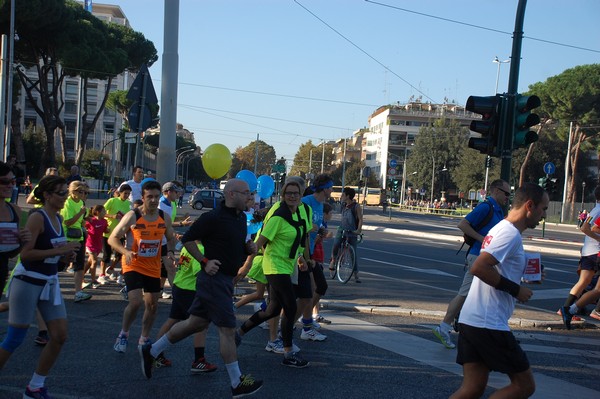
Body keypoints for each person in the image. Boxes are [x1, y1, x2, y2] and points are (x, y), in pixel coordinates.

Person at [139, 179, 263, 398]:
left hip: (224, 280)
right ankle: (237, 383)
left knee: (195, 322)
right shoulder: (212, 218)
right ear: (232, 195)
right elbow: (187, 240)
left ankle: (153, 350)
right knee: (226, 329)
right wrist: (205, 261)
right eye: (246, 193)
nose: (250, 197)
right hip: (214, 280)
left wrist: (247, 248)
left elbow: (235, 246)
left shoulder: (241, 218)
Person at [450, 183, 548, 399]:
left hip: (473, 319)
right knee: (524, 386)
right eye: (543, 209)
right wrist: (516, 290)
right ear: (529, 206)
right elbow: (479, 267)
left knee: (472, 389)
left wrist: (525, 276)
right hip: (489, 323)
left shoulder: (502, 228)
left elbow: (497, 268)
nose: (544, 215)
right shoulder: (509, 233)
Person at [0, 175, 80, 399]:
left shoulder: (58, 219)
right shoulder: (38, 217)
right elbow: (26, 255)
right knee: (15, 337)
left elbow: (54, 255)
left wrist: (66, 256)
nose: (66, 197)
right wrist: (58, 251)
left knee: (60, 336)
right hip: (28, 281)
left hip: (49, 282)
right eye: (61, 193)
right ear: (47, 195)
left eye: (66, 192)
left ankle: (35, 386)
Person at [235, 178, 312, 367]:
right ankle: (288, 353)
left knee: (272, 309)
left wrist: (302, 259)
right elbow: (260, 241)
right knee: (291, 307)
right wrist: (246, 261)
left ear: (301, 195)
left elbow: (297, 243)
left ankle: (239, 333)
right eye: (289, 193)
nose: (292, 196)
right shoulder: (278, 216)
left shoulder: (297, 216)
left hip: (288, 266)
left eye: (296, 193)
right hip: (274, 266)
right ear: (283, 196)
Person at [433, 179, 509, 349]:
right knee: (466, 294)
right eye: (506, 193)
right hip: (478, 257)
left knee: (482, 296)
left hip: (486, 258)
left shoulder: (497, 210)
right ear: (496, 191)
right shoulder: (486, 207)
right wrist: (482, 239)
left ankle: (468, 328)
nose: (508, 197)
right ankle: (445, 327)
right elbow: (462, 224)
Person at [109, 180, 176, 353]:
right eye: (149, 197)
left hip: (153, 265)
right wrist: (125, 252)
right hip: (133, 264)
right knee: (136, 301)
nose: (153, 200)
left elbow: (170, 237)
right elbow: (113, 238)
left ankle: (144, 338)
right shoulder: (133, 216)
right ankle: (123, 334)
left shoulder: (164, 217)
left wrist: (170, 252)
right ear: (143, 197)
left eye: (156, 196)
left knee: (153, 305)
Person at [152, 241, 217, 372]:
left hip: (179, 285)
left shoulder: (188, 245)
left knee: (173, 319)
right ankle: (199, 360)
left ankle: (155, 353)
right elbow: (200, 274)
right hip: (190, 290)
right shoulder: (201, 250)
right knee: (200, 324)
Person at [559, 186, 600, 322]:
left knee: (584, 283)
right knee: (590, 285)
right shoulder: (598, 210)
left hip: (589, 250)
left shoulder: (595, 209)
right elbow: (587, 228)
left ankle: (567, 308)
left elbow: (586, 226)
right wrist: (598, 238)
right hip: (594, 251)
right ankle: (571, 308)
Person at [300, 174, 333, 338]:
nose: (332, 190)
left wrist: (321, 231)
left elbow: (317, 226)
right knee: (310, 289)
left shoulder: (321, 205)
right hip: (302, 251)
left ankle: (304, 320)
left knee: (319, 287)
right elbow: (300, 224)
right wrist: (311, 227)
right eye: (331, 187)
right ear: (325, 188)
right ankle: (304, 325)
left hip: (312, 249)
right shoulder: (307, 201)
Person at [0, 161, 32, 309]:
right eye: (4, 181)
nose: (10, 185)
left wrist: (22, 241)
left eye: (13, 181)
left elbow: (11, 252)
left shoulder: (14, 210)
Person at [158, 182, 192, 299]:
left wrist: (181, 219)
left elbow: (170, 220)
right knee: (169, 267)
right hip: (158, 240)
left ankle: (163, 291)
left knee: (168, 267)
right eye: (176, 192)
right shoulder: (160, 205)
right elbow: (164, 223)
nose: (178, 194)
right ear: (168, 192)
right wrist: (181, 224)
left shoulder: (171, 203)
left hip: (166, 240)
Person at [61, 181, 92, 302]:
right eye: (81, 191)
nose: (84, 194)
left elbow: (83, 219)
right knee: (60, 264)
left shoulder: (81, 203)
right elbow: (68, 222)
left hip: (79, 237)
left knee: (79, 265)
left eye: (85, 192)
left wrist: (85, 222)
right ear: (73, 192)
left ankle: (78, 292)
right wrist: (80, 213)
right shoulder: (67, 203)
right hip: (67, 237)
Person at [99, 184, 132, 284]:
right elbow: (100, 212)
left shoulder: (128, 204)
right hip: (108, 232)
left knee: (120, 255)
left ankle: (111, 268)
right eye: (125, 193)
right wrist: (112, 216)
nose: (126, 195)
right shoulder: (112, 201)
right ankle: (102, 275)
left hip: (120, 233)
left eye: (128, 194)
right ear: (120, 193)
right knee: (106, 255)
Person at [330, 186, 363, 283]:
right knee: (336, 245)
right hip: (342, 229)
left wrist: (358, 230)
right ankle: (333, 261)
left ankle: (356, 274)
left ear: (348, 196)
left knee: (353, 254)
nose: (341, 196)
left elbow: (360, 218)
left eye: (343, 194)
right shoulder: (343, 205)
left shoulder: (356, 206)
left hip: (352, 231)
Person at [84, 205, 108, 288]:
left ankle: (80, 276)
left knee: (90, 262)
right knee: (94, 261)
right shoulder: (91, 220)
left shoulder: (104, 221)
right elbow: (84, 227)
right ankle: (93, 281)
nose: (105, 213)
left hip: (98, 245)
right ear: (98, 212)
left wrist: (109, 230)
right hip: (90, 244)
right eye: (104, 211)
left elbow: (105, 230)